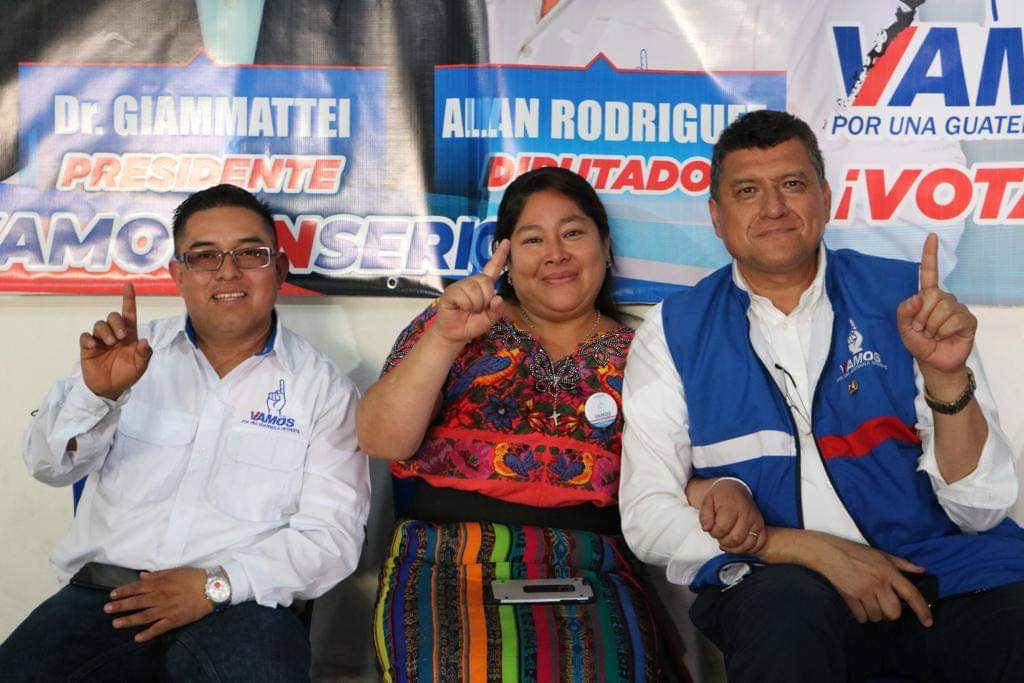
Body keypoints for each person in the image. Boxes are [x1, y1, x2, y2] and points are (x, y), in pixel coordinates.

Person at [619, 109, 1024, 682]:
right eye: (747, 191)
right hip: (784, 589)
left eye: (792, 184)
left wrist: (947, 380)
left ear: (825, 198)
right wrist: (802, 549)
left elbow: (981, 509)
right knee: (785, 615)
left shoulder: (911, 300)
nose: (774, 208)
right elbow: (646, 516)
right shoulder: (673, 330)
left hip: (944, 576)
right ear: (716, 215)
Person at [0, 184, 370, 681]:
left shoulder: (324, 389)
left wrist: (213, 585)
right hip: (106, 596)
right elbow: (47, 466)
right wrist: (97, 395)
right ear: (178, 274)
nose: (228, 272)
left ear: (280, 269)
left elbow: (331, 540)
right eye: (205, 256)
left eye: (250, 254)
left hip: (243, 603)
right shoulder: (128, 354)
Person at [358, 167, 666, 681]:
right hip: (446, 559)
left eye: (572, 233)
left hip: (590, 565)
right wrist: (444, 339)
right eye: (532, 239)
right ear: (505, 257)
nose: (555, 254)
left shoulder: (646, 353)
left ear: (606, 246)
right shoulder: (455, 322)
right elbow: (380, 438)